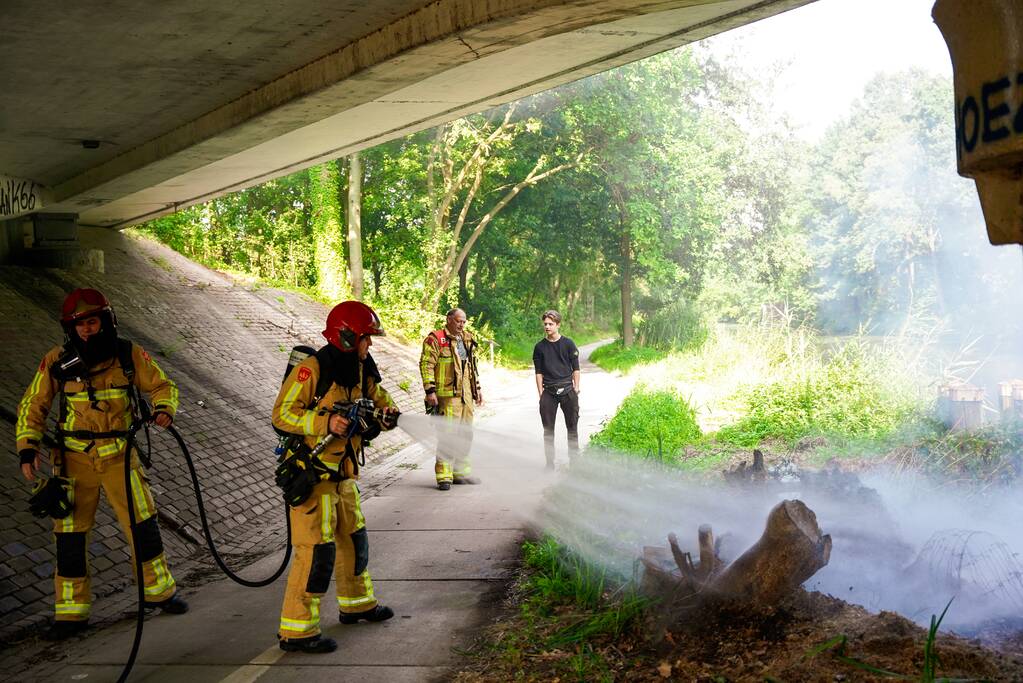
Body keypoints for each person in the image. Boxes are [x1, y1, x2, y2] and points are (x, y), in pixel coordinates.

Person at [16, 288, 187, 641]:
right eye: (79, 326)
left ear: (105, 321)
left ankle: (159, 592)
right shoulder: (56, 361)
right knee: (70, 536)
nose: (87, 331)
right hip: (73, 460)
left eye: (92, 322)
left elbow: (163, 386)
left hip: (119, 457)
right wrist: (27, 447)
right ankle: (71, 613)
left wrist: (164, 410)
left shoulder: (128, 355)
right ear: (70, 329)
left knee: (142, 524)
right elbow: (34, 404)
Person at [272, 300, 399, 654]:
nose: (369, 345)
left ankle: (357, 604)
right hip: (313, 475)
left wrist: (387, 412)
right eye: (365, 339)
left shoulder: (360, 367)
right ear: (346, 336)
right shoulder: (314, 369)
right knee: (316, 553)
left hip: (344, 475)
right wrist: (323, 423)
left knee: (353, 539)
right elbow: (282, 414)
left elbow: (377, 396)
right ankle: (297, 630)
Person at [419, 308, 483, 491]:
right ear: (448, 320)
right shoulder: (436, 339)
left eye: (464, 321)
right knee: (448, 434)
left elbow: (471, 367)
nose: (461, 324)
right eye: (458, 321)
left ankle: (460, 472)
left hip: (466, 396)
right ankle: (444, 475)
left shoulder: (467, 339)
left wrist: (477, 389)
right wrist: (430, 391)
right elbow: (426, 365)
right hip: (447, 397)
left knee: (465, 434)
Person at [532, 310, 580, 469]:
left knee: (572, 428)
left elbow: (576, 369)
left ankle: (575, 463)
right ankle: (549, 464)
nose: (547, 326)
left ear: (558, 325)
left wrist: (576, 388)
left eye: (550, 324)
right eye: (545, 324)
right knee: (548, 431)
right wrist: (541, 394)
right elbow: (538, 373)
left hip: (568, 390)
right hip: (549, 392)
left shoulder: (568, 344)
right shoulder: (539, 347)